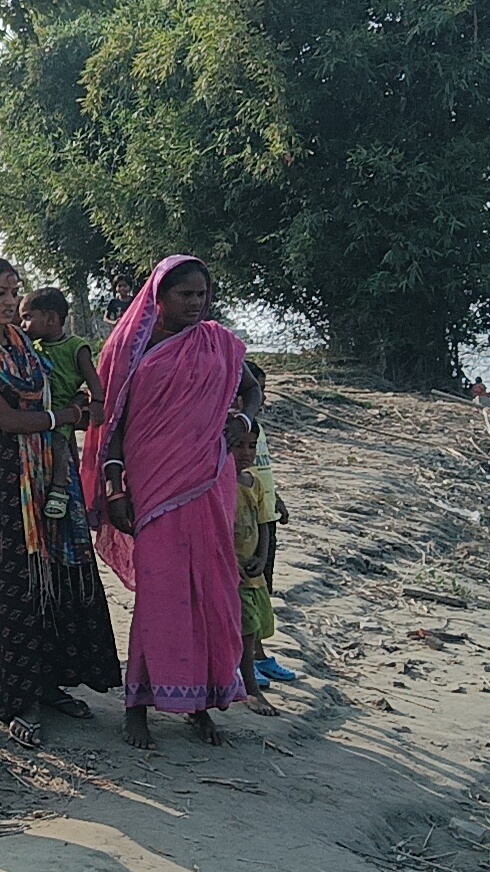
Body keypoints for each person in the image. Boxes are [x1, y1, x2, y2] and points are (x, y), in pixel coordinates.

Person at [84, 255, 263, 750]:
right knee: (161, 592)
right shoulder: (131, 348)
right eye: (185, 294)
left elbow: (252, 390)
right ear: (158, 298)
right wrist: (115, 489)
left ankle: (200, 703)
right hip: (153, 485)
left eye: (202, 295)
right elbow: (113, 426)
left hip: (209, 481)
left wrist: (243, 422)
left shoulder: (218, 342)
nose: (196, 303)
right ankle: (137, 704)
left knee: (211, 588)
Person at [0, 259, 120, 747]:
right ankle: (15, 697)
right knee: (13, 585)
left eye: (14, 291)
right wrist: (63, 416)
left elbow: (63, 386)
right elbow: (7, 420)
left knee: (55, 579)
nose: (10, 301)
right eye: (0, 293)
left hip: (48, 475)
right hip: (5, 486)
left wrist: (76, 406)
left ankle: (48, 683)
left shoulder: (24, 345)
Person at [18, 287, 105, 517]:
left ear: (50, 318)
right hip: (42, 409)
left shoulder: (75, 346)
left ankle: (59, 489)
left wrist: (97, 401)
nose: (23, 324)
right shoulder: (34, 348)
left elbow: (92, 377)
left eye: (27, 317)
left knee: (59, 443)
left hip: (63, 407)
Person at [241, 360, 297, 686]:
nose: (260, 398)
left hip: (264, 516)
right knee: (246, 592)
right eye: (255, 390)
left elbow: (263, 472)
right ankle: (247, 660)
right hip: (244, 521)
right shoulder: (236, 432)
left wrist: (278, 501)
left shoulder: (256, 433)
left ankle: (258, 655)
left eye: (262, 390)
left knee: (262, 588)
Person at [232, 426, 281, 717]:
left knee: (253, 625)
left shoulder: (254, 484)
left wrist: (262, 557)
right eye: (239, 445)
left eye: (252, 446)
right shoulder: (220, 483)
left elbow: (264, 524)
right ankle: (250, 688)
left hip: (252, 571)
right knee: (246, 629)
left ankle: (244, 679)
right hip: (231, 570)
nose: (246, 453)